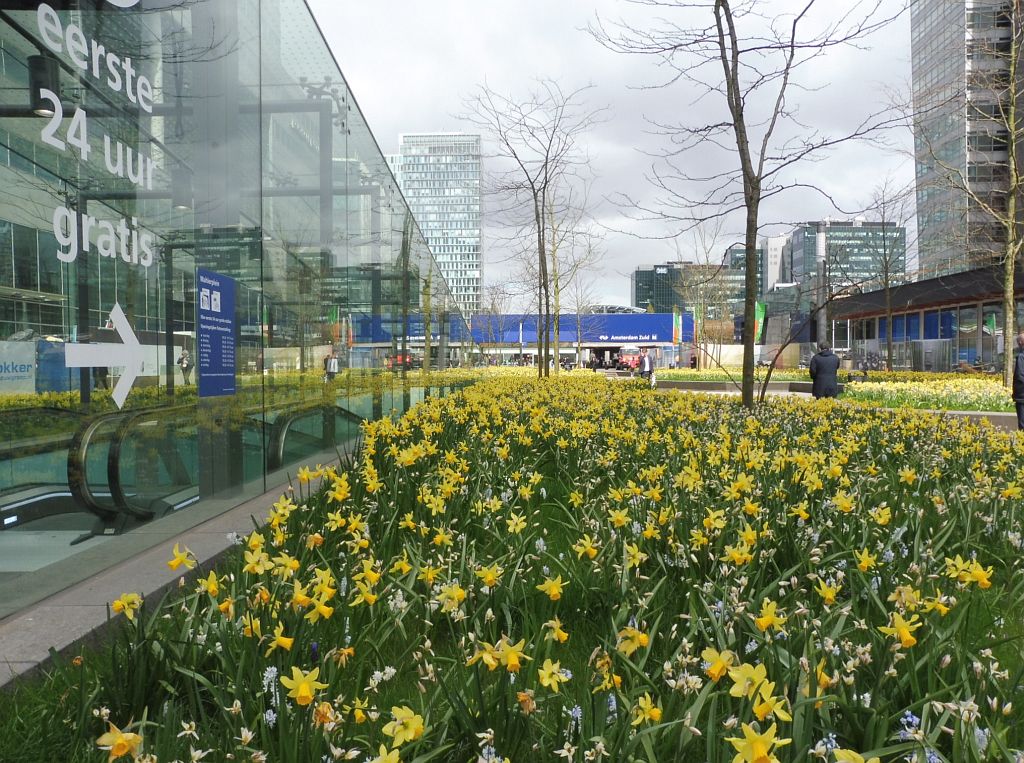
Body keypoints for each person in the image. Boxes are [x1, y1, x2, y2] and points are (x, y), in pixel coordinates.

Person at [1013, 332, 1024, 431]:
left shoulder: (1021, 356)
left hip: (1022, 396)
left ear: (1020, 342)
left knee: (1022, 423)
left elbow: (1020, 375)